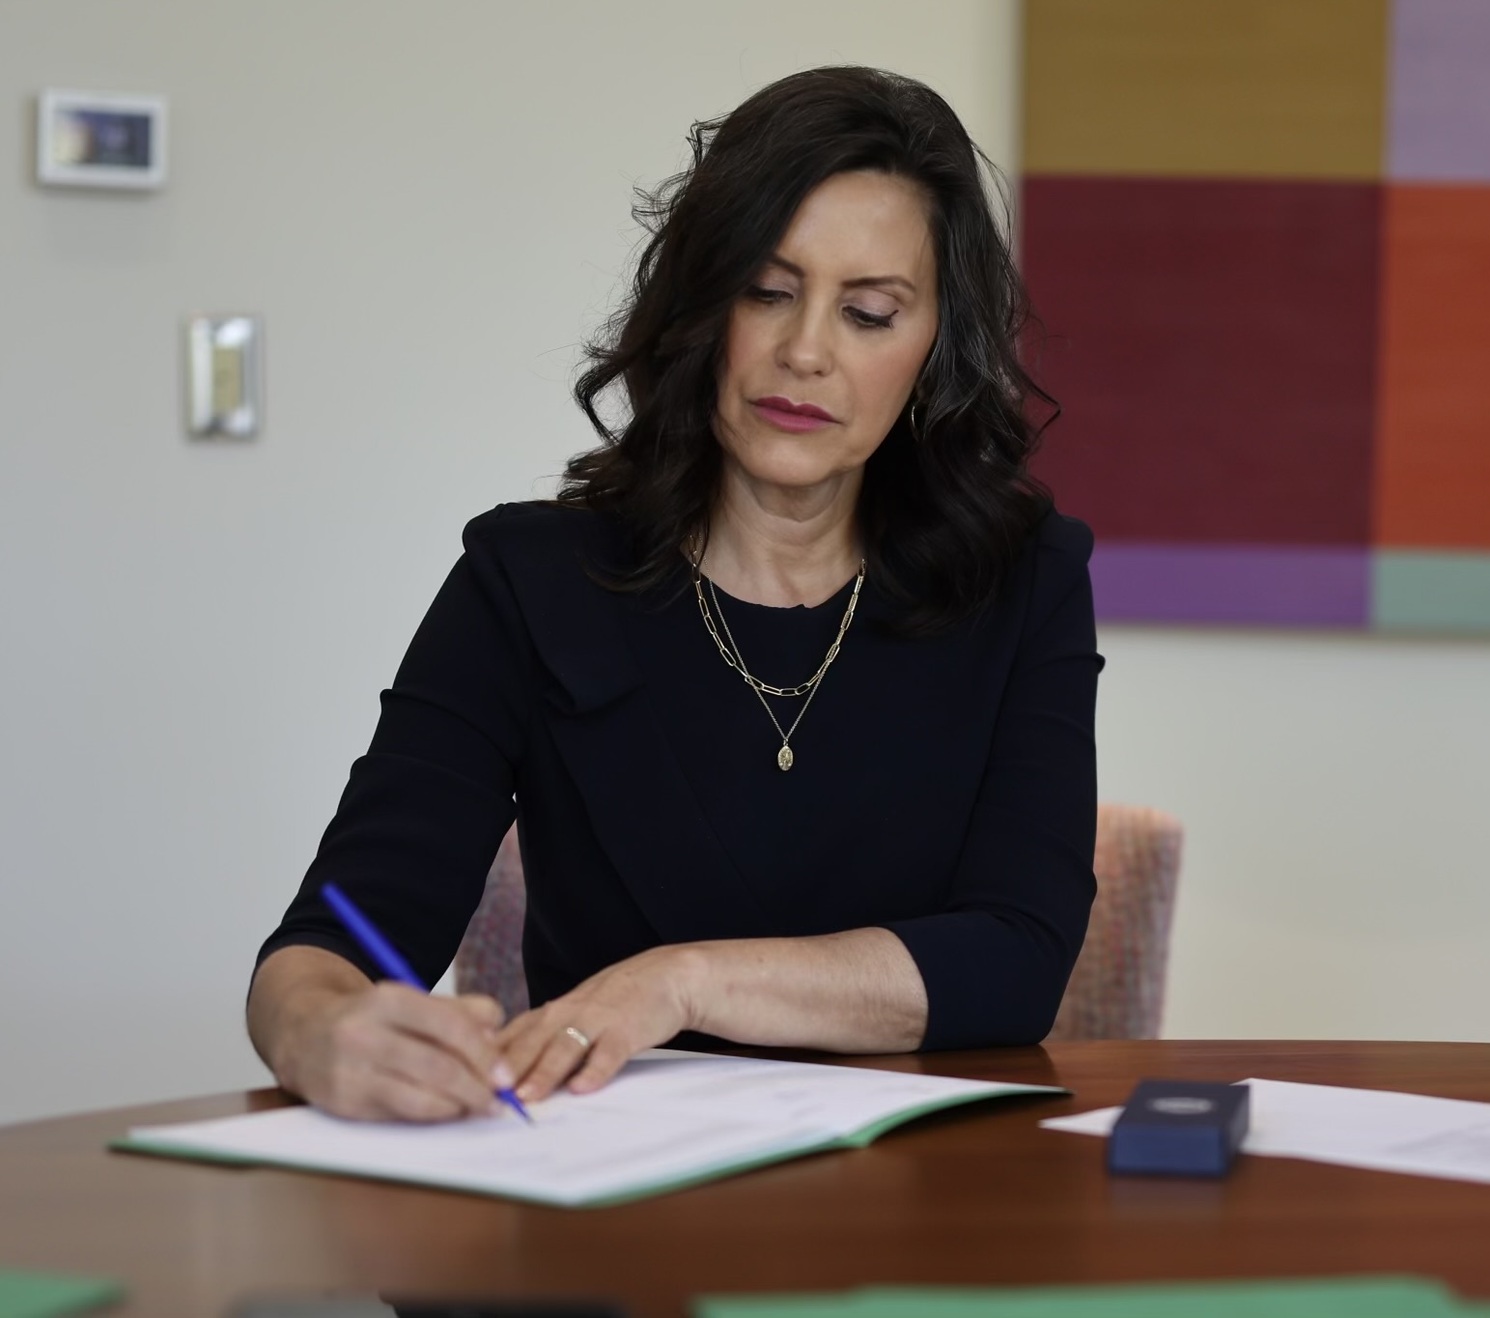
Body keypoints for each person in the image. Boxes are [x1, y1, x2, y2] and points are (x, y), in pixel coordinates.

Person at [245, 67, 1100, 1123]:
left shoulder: (1022, 581)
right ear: (703, 306)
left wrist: (681, 981)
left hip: (923, 1208)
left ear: (931, 353)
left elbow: (1015, 956)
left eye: (869, 312)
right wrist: (317, 1027)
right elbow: (338, 932)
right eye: (767, 290)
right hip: (610, 1207)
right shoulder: (529, 580)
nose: (804, 351)